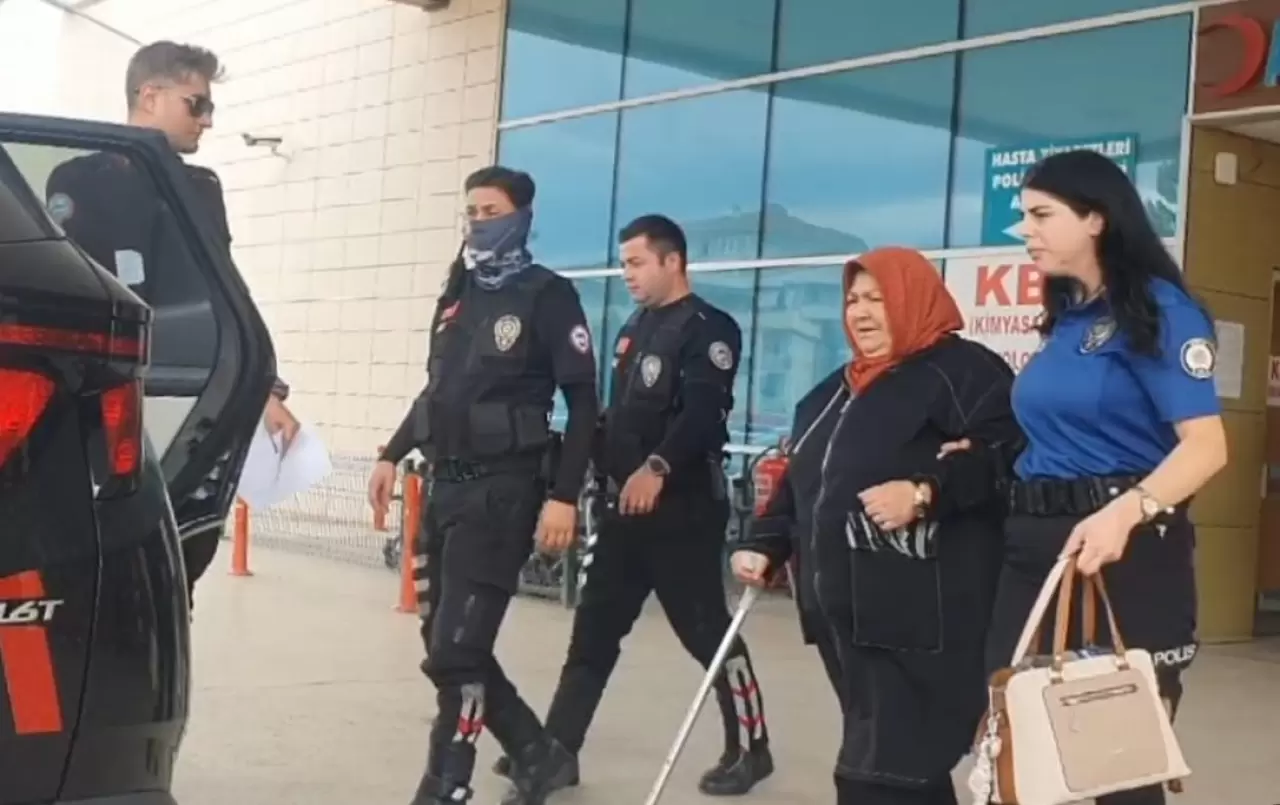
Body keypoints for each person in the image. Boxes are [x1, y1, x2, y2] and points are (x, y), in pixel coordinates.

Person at [975, 150, 1228, 805]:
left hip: (1124, 552)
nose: (1025, 230)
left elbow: (1207, 449)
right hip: (1036, 547)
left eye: (1041, 214)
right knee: (1017, 743)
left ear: (1095, 217)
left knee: (1118, 760)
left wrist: (1125, 513)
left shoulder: (1159, 311)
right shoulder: (1069, 316)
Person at [493, 214, 773, 798]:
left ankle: (752, 747)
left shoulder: (708, 329)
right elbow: (622, 417)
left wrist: (658, 467)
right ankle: (557, 751)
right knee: (592, 633)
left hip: (682, 511)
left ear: (673, 261)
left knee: (707, 634)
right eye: (624, 264)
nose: (627, 274)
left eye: (637, 262)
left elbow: (702, 414)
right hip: (623, 511)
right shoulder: (635, 327)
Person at [731, 246, 1023, 805]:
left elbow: (1006, 457)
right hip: (842, 621)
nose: (861, 312)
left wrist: (925, 490)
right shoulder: (831, 393)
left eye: (877, 299)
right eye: (853, 300)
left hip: (922, 619)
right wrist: (765, 542)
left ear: (912, 298)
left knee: (876, 778)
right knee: (906, 775)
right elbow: (802, 482)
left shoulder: (964, 373)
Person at [367, 166, 599, 805]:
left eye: (490, 211)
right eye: (470, 212)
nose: (477, 223)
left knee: (458, 651)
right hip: (444, 489)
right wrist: (391, 454)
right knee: (442, 642)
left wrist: (564, 496)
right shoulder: (458, 293)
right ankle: (536, 753)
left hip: (504, 491)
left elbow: (583, 404)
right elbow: (437, 392)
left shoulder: (548, 296)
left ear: (521, 216)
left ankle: (446, 784)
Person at [43, 40, 298, 607]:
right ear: (150, 95)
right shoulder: (83, 177)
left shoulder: (199, 189)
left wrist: (263, 387)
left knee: (182, 557)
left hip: (185, 389)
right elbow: (71, 289)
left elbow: (223, 289)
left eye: (210, 108)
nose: (206, 121)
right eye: (196, 104)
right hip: (100, 395)